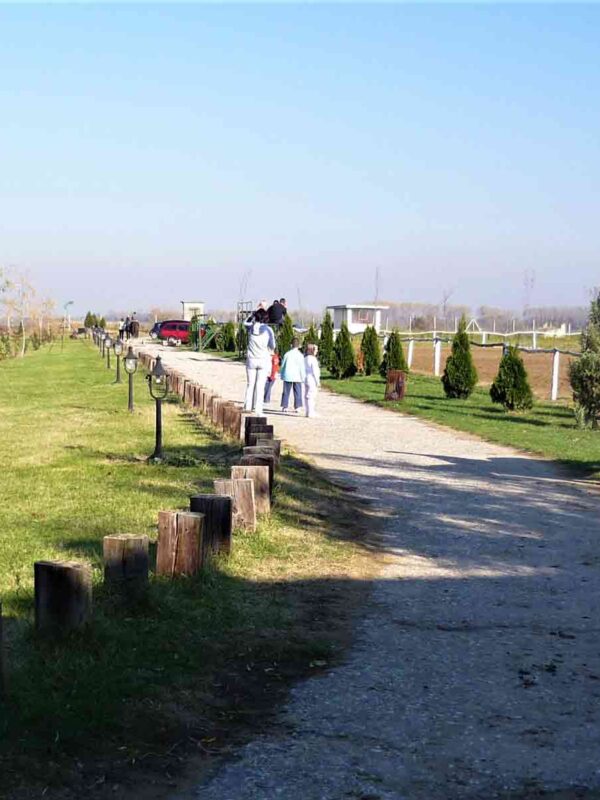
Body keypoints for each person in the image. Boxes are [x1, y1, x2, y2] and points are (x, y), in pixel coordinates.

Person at [243, 308, 275, 416]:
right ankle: (258, 409)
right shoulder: (268, 330)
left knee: (250, 384)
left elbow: (244, 323)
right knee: (260, 386)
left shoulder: (251, 327)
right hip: (263, 360)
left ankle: (248, 406)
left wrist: (251, 315)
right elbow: (272, 346)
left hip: (251, 360)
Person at [279, 338, 305, 413]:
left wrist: (282, 374)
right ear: (299, 346)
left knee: (286, 391)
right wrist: (303, 377)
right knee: (298, 391)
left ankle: (285, 406)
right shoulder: (300, 355)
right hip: (297, 376)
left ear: (291, 345)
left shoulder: (287, 354)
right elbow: (302, 367)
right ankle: (298, 407)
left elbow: (283, 365)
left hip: (288, 375)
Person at [304, 343, 321, 418]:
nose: (317, 351)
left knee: (307, 395)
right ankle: (311, 412)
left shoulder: (305, 358)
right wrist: (318, 381)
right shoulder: (313, 359)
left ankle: (308, 411)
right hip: (312, 378)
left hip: (306, 378)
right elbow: (315, 371)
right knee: (312, 396)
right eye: (316, 350)